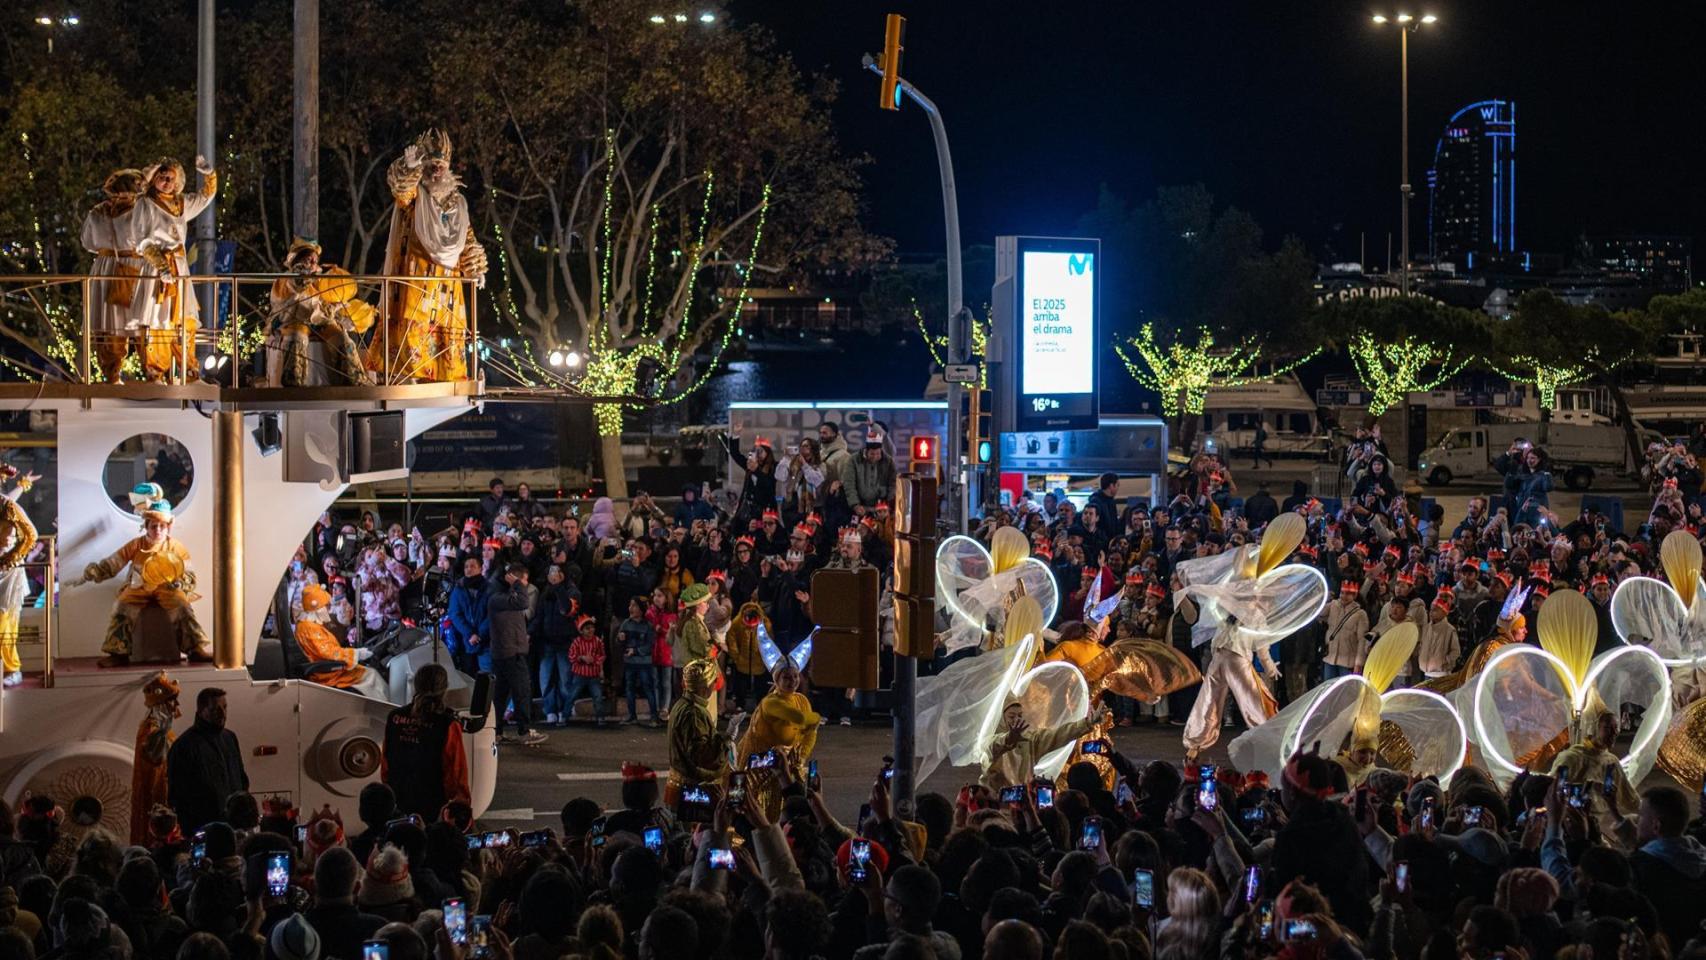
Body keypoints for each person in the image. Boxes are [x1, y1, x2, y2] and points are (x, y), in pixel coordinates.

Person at [366, 129, 487, 382]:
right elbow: (401, 188)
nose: (436, 170)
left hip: (448, 287)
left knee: (445, 336)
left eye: (441, 165)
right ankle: (406, 374)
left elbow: (468, 239)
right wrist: (407, 168)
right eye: (431, 165)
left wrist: (475, 268)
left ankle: (443, 377)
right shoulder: (415, 197)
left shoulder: (458, 204)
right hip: (415, 282)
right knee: (411, 333)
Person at [74, 496, 208, 666]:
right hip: (138, 586)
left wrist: (180, 584)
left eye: (162, 526)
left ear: (168, 528)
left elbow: (188, 573)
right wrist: (94, 573)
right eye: (154, 526)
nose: (158, 530)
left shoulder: (176, 547)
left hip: (166, 587)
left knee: (182, 605)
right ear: (146, 527)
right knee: (122, 605)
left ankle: (195, 649)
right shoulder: (136, 545)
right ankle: (118, 653)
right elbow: (114, 562)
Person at [132, 155, 217, 381]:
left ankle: (189, 371)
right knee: (157, 320)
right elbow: (141, 238)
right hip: (155, 268)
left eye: (171, 178)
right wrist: (161, 266)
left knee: (184, 319)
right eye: (162, 177)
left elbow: (205, 197)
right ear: (153, 179)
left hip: (179, 268)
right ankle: (155, 373)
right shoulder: (144, 203)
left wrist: (209, 175)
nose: (167, 182)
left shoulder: (181, 203)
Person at [268, 238, 374, 386]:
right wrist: (304, 274)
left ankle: (353, 380)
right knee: (297, 337)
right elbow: (296, 289)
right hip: (292, 321)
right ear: (298, 260)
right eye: (309, 260)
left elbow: (322, 308)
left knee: (342, 339)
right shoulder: (286, 280)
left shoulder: (317, 283)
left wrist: (339, 313)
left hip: (318, 324)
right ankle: (294, 382)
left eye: (315, 261)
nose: (313, 264)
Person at [78, 168, 149, 382]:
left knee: (128, 320)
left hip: (111, 266)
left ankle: (117, 372)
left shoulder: (97, 212)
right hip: (129, 267)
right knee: (120, 321)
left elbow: (87, 242)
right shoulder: (140, 211)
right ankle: (117, 372)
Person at [380, 663, 470, 820]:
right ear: (445, 688)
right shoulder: (447, 723)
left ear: (415, 686)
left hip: (398, 800)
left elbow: (386, 760)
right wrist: (459, 804)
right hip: (433, 803)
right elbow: (456, 770)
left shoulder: (394, 717)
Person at [166, 687, 248, 834]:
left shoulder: (229, 738)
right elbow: (177, 796)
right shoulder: (184, 746)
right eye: (215, 709)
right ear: (202, 710)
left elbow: (241, 778)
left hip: (234, 827)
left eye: (224, 707)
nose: (223, 714)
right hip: (203, 828)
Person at [982, 699, 1112, 791]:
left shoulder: (1030, 740)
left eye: (1020, 716)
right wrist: (1009, 739)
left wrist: (1088, 723)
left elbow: (1059, 734)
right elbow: (996, 746)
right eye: (1011, 717)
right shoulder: (988, 742)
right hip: (996, 805)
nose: (1017, 720)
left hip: (1024, 803)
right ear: (1000, 719)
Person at [488, 562, 543, 745]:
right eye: (523, 580)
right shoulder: (498, 597)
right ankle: (523, 731)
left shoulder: (505, 596)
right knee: (521, 691)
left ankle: (497, 731)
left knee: (501, 694)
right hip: (509, 652)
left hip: (508, 650)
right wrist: (518, 585)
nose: (525, 584)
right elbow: (523, 602)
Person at [294, 584, 384, 696]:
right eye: (326, 606)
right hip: (326, 674)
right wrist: (357, 654)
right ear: (317, 608)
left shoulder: (308, 625)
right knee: (372, 674)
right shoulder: (309, 628)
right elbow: (328, 652)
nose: (328, 609)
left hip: (326, 669)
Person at [665, 659, 731, 806]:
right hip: (692, 793)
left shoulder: (682, 703)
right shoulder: (694, 713)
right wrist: (725, 740)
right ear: (704, 687)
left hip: (679, 785)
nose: (715, 687)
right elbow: (701, 755)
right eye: (713, 683)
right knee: (693, 829)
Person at [130, 672, 180, 845]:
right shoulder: (152, 729)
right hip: (156, 788)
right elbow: (155, 757)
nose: (175, 707)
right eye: (171, 703)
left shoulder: (155, 727)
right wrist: (162, 734)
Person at [0, 469, 39, 687]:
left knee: (4, 623)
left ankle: (11, 668)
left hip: (8, 573)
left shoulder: (7, 506)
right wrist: (23, 484)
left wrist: (12, 557)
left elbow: (31, 534)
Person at [564, 615, 608, 727]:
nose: (590, 630)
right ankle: (565, 716)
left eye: (592, 627)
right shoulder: (577, 642)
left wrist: (595, 661)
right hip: (579, 674)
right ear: (581, 631)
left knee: (597, 696)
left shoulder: (598, 641)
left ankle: (600, 717)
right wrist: (581, 658)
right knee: (572, 695)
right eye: (587, 628)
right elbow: (571, 655)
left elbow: (602, 655)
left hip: (594, 674)